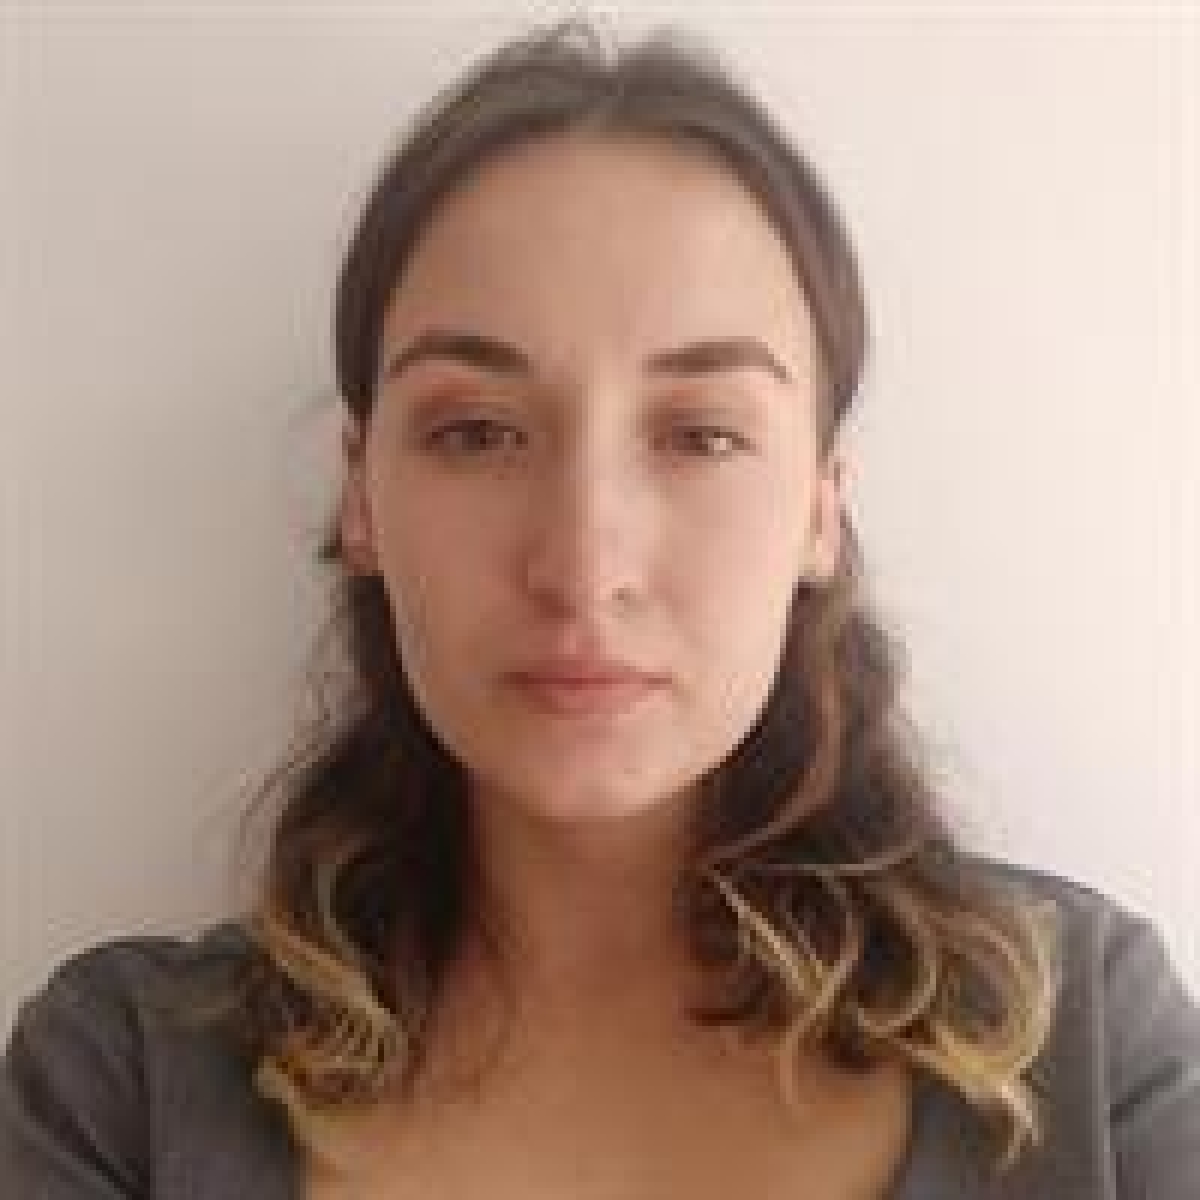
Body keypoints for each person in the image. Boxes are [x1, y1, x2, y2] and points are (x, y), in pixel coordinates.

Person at [3, 17, 1198, 1199]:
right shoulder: (122, 1090)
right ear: (361, 495)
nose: (582, 564)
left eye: (702, 434)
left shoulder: (1087, 1045)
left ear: (819, 511)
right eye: (477, 432)